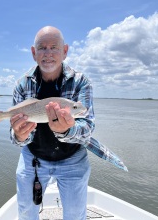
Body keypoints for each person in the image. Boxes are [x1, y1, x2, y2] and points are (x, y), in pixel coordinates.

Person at [10, 26, 95, 220]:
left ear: (65, 51)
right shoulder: (21, 85)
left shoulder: (81, 82)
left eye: (54, 47)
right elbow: (15, 137)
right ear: (34, 53)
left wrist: (67, 130)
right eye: (42, 47)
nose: (48, 53)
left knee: (75, 215)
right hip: (34, 157)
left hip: (73, 157)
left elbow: (88, 126)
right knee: (25, 211)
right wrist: (19, 135)